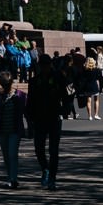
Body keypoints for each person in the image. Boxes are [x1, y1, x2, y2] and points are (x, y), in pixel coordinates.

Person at [25, 59, 65, 192]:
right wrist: (29, 119)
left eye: (47, 66)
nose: (44, 69)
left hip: (54, 118)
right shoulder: (34, 81)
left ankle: (52, 179)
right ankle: (45, 169)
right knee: (38, 149)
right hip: (39, 119)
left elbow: (67, 94)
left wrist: (65, 110)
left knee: (54, 151)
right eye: (42, 66)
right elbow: (30, 101)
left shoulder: (58, 78)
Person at [0, 71, 27, 189]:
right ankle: (9, 176)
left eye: (7, 84)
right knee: (6, 155)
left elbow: (27, 111)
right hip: (2, 129)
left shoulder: (20, 95)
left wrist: (31, 126)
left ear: (11, 83)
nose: (5, 87)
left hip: (15, 130)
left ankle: (13, 178)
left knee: (12, 154)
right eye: (3, 84)